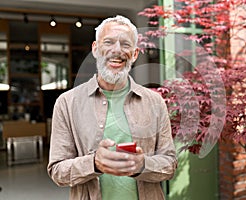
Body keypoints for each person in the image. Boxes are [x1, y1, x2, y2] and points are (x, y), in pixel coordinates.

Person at [47, 15, 177, 200]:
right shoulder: (67, 103)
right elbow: (57, 170)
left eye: (125, 44)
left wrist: (142, 165)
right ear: (95, 49)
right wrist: (94, 163)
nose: (117, 50)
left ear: (134, 54)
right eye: (108, 42)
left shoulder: (155, 102)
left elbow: (170, 164)